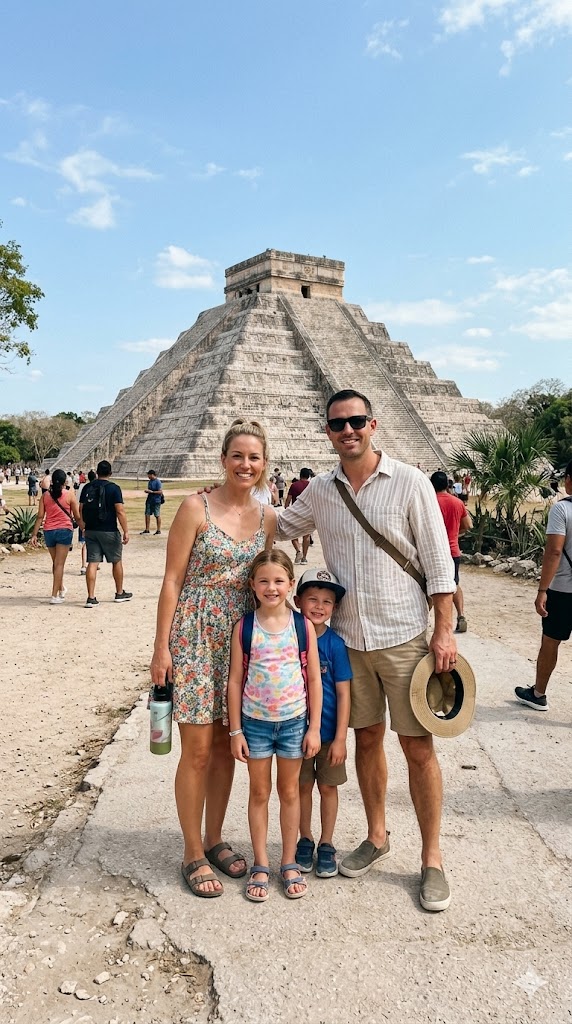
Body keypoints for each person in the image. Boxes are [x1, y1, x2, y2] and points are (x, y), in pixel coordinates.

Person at [275, 388, 456, 912]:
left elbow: (439, 563)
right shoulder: (320, 490)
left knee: (418, 748)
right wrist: (223, 504)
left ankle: (432, 858)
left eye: (356, 421)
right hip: (348, 642)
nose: (348, 430)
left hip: (402, 637)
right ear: (328, 432)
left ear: (374, 425)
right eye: (337, 424)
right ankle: (377, 836)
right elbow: (281, 527)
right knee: (367, 740)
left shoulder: (410, 482)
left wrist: (444, 630)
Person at [150, 420, 276, 898]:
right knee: (197, 750)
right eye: (238, 455)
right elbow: (171, 581)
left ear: (265, 464)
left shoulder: (268, 519)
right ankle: (191, 851)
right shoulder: (194, 507)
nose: (246, 465)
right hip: (195, 636)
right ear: (223, 459)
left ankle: (215, 836)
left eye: (255, 457)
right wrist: (161, 647)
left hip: (243, 638)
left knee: (227, 747)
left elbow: (266, 579)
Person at [227, 550, 322, 901]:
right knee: (258, 793)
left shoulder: (302, 626)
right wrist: (235, 730)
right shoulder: (245, 626)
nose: (271, 587)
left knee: (291, 792)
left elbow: (313, 678)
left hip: (295, 723)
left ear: (291, 585)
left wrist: (313, 728)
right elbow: (235, 680)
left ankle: (289, 860)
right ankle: (261, 862)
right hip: (255, 725)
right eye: (264, 581)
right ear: (252, 585)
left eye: (279, 580)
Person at [294, 568, 351, 879]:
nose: (319, 606)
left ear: (335, 608)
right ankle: (305, 838)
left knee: (328, 787)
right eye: (312, 599)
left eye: (327, 601)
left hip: (329, 736)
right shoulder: (291, 638)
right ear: (298, 600)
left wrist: (341, 737)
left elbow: (344, 693)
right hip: (295, 733)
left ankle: (326, 842)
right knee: (302, 786)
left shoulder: (335, 644)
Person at [515, 459, 572, 711]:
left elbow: (554, 552)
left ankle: (538, 694)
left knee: (551, 641)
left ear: (568, 479)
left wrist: (542, 590)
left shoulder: (562, 510)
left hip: (562, 590)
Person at [78, 460, 132, 607]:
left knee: (92, 563)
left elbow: (81, 508)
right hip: (109, 529)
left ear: (97, 472)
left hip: (91, 530)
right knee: (116, 560)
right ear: (110, 473)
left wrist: (82, 524)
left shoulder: (87, 487)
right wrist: (126, 530)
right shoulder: (114, 488)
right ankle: (119, 592)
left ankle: (91, 597)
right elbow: (120, 511)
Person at [431, 471, 472, 633]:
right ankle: (461, 615)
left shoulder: (429, 502)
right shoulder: (457, 502)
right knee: (454, 583)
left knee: (429, 585)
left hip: (433, 550)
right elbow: (468, 525)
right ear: (448, 485)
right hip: (452, 549)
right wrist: (456, 532)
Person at [31, 468, 80, 604]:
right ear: (65, 481)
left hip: (49, 531)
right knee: (59, 564)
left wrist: (34, 534)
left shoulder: (45, 496)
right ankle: (55, 595)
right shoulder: (69, 495)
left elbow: (40, 516)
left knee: (56, 563)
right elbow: (77, 516)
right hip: (64, 530)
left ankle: (61, 588)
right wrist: (84, 528)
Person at [285, 468, 313, 564]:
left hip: (295, 513)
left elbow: (288, 500)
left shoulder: (294, 485)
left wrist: (286, 509)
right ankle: (304, 558)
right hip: (308, 513)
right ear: (308, 476)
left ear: (300, 475)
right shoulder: (311, 485)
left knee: (293, 534)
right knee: (306, 536)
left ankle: (298, 551)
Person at [77, 469, 96, 574]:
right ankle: (88, 564)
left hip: (85, 518)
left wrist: (80, 519)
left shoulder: (84, 488)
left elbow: (80, 506)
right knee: (92, 542)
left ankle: (85, 564)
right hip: (94, 519)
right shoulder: (99, 487)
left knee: (86, 542)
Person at [141, 470, 164, 535]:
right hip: (149, 500)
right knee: (147, 514)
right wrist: (148, 491)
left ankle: (158, 530)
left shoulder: (158, 482)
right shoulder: (150, 481)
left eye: (148, 475)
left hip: (156, 500)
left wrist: (152, 492)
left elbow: (160, 492)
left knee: (157, 515)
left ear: (152, 474)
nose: (148, 476)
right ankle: (147, 529)